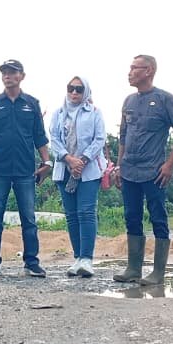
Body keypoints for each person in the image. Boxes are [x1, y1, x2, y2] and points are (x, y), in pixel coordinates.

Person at [111, 55, 173, 285]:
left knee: (158, 218)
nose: (130, 72)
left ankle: (158, 272)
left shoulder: (165, 99)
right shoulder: (128, 101)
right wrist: (119, 165)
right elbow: (123, 136)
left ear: (149, 71)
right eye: (130, 67)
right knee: (131, 217)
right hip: (129, 170)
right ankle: (133, 269)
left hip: (154, 172)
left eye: (135, 68)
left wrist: (169, 164)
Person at [0, 59, 51, 278]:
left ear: (22, 76)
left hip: (25, 170)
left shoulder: (32, 104)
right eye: (4, 72)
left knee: (29, 218)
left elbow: (39, 136)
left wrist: (46, 162)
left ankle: (32, 262)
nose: (7, 76)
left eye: (12, 72)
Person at [48, 75, 106, 278]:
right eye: (71, 88)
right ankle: (77, 258)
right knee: (71, 215)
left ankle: (87, 259)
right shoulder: (58, 113)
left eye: (79, 89)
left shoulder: (94, 113)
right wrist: (68, 159)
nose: (74, 92)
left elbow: (99, 139)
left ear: (86, 92)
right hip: (64, 169)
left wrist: (82, 160)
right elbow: (54, 139)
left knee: (86, 212)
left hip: (88, 170)